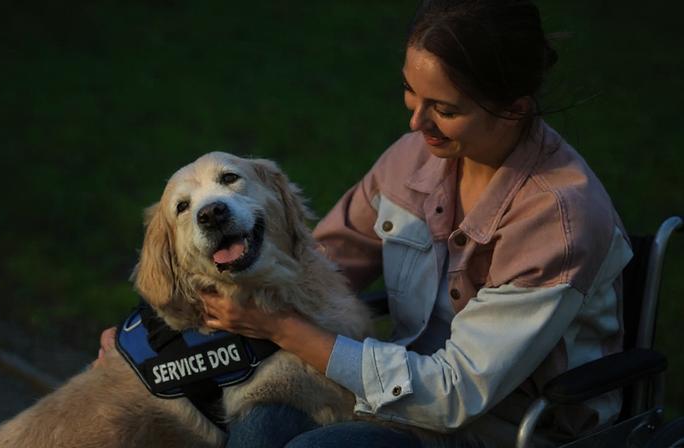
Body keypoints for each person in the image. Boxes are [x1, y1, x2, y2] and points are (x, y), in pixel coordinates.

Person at [97, 1, 632, 446]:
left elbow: (456, 396)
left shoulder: (558, 219)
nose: (415, 122)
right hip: (389, 397)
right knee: (259, 420)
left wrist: (286, 329)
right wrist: (151, 342)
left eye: (443, 109)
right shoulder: (413, 159)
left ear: (514, 109)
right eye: (410, 92)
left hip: (497, 428)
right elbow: (311, 261)